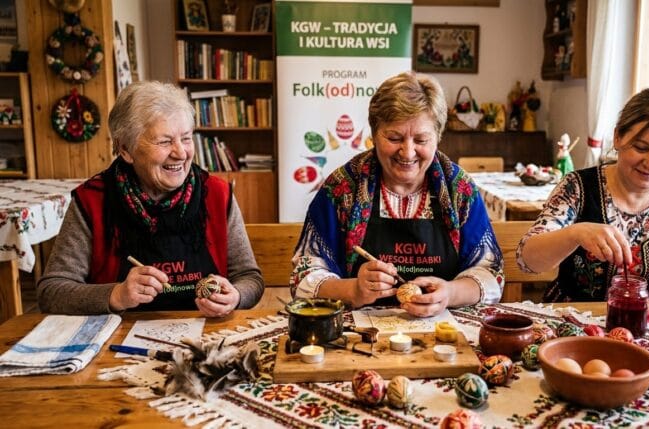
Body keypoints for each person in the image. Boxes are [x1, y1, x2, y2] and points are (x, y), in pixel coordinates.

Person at [37, 81, 264, 316]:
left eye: (186, 138)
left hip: (207, 336)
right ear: (125, 149)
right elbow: (51, 292)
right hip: (117, 340)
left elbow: (249, 278)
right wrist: (115, 295)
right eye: (164, 142)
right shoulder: (92, 200)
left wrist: (236, 296)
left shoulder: (216, 194)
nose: (181, 153)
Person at [290, 72, 504, 317]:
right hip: (359, 338)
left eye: (421, 139)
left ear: (438, 138)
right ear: (373, 135)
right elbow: (303, 280)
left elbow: (490, 275)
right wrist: (354, 290)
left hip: (444, 335)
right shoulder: (342, 189)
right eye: (394, 137)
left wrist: (450, 293)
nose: (407, 152)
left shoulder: (459, 190)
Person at [517, 88, 649, 304]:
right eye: (641, 148)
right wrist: (575, 233)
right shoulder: (577, 187)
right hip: (577, 321)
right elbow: (528, 260)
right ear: (618, 138)